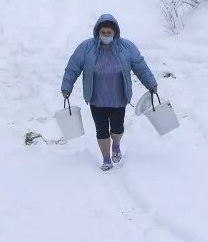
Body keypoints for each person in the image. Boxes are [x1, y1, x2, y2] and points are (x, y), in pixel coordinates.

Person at [61, 13, 158, 171]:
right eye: (103, 32)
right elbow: (73, 67)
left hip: (119, 98)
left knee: (117, 128)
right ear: (98, 32)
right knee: (101, 130)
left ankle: (116, 145)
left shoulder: (126, 47)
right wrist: (67, 87)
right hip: (96, 98)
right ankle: (106, 159)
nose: (106, 35)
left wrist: (151, 83)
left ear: (115, 32)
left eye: (109, 33)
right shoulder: (86, 48)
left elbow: (140, 66)